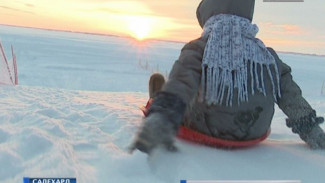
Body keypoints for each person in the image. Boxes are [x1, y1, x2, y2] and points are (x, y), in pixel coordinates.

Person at [129, 0, 325, 154]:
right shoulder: (266, 55)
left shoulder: (201, 47)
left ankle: (160, 104)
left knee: (179, 86)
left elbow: (183, 81)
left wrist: (162, 119)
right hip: (254, 131)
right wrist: (311, 130)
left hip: (204, 127)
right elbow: (290, 95)